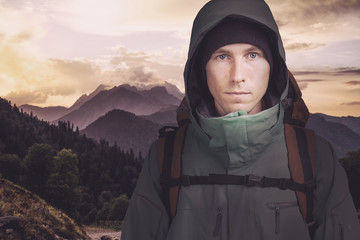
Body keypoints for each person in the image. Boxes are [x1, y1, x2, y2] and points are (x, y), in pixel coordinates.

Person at [121, 0, 360, 239]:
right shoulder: (165, 158)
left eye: (252, 55)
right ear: (201, 68)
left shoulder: (316, 158)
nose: (237, 76)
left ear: (273, 66)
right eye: (222, 56)